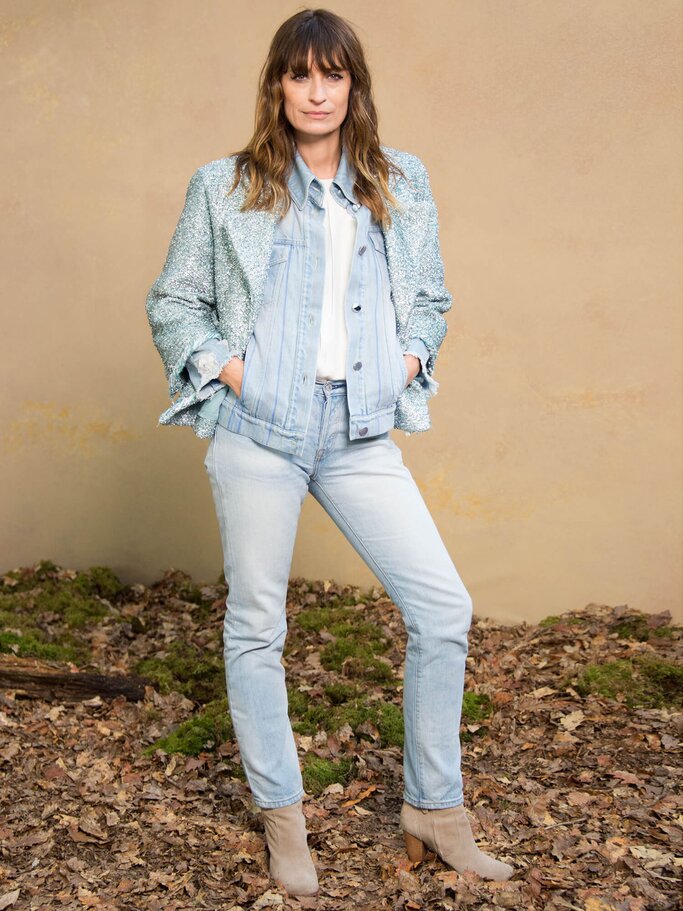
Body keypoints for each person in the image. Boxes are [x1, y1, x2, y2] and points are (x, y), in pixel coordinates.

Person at [146, 7, 514, 898]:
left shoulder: (398, 180)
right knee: (256, 626)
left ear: (353, 86)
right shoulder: (224, 184)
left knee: (442, 608)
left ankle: (435, 808)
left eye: (333, 75)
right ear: (277, 84)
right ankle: (285, 820)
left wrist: (411, 357)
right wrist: (232, 369)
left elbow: (428, 296)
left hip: (356, 433)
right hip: (258, 433)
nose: (317, 92)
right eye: (299, 75)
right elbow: (174, 300)